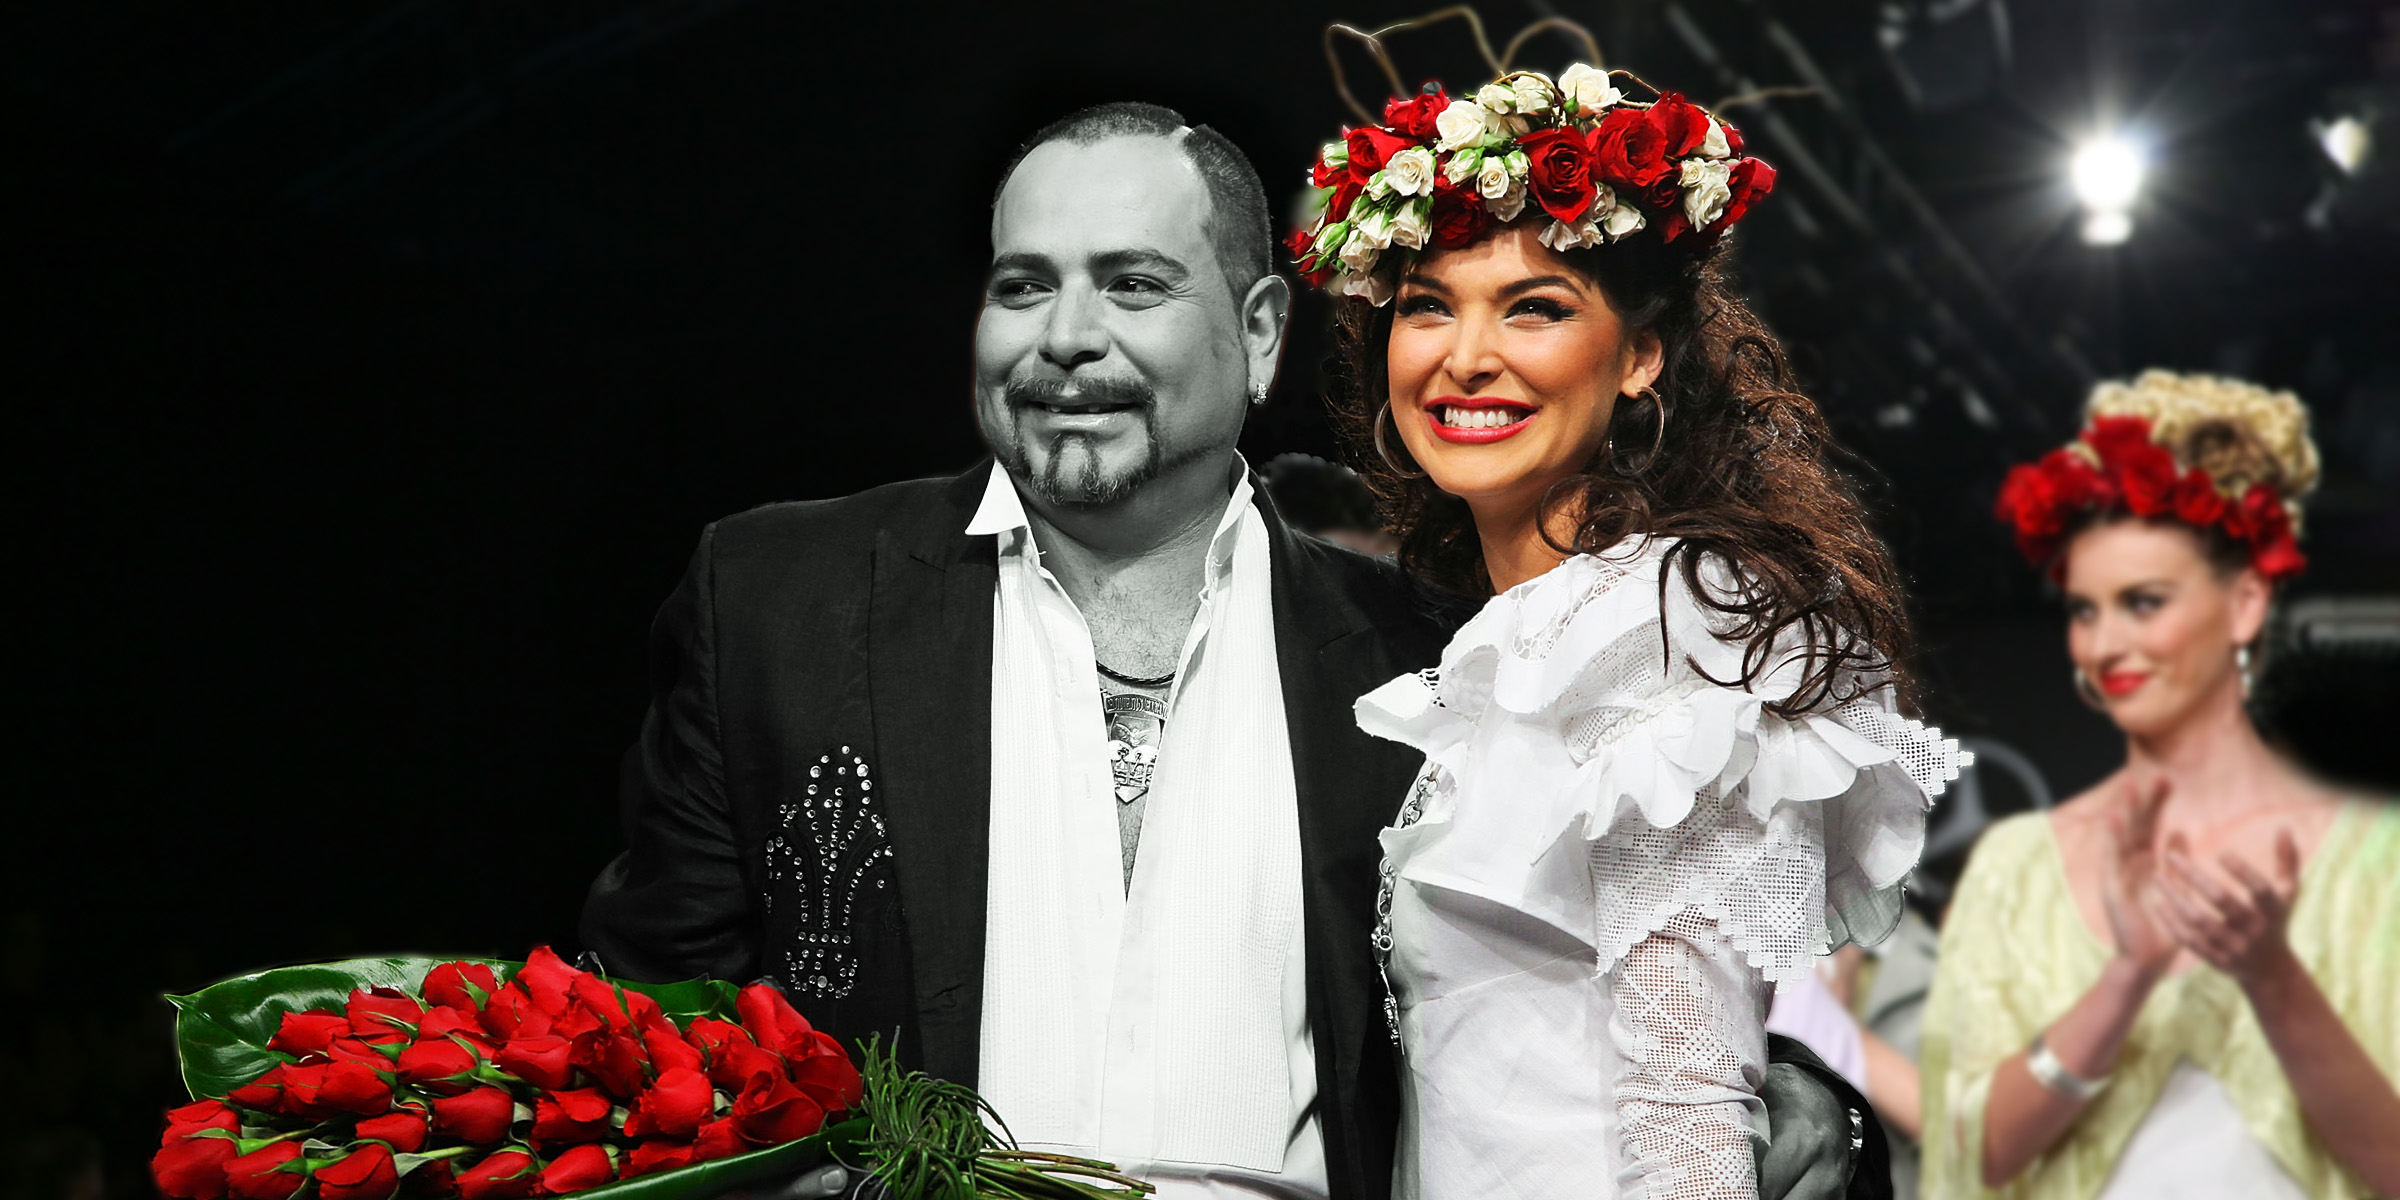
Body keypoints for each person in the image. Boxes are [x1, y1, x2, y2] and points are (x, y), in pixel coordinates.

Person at [580, 101, 1870, 1199]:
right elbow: (641, 1030)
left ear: (1259, 333)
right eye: (1023, 283)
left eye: (1133, 284)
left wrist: (1794, 1092)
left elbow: (1553, 1004)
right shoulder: (777, 596)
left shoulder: (1431, 659)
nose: (1065, 337)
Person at [1285, 67, 1967, 1198]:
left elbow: (1689, 1116)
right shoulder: (1515, 637)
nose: (1465, 356)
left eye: (1536, 306)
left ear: (1642, 355)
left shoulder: (1663, 633)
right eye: (1426, 305)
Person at [1922, 371, 2400, 1198]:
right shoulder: (2013, 867)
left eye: (2143, 603)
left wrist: (2273, 978)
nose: (2104, 645)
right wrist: (2124, 981)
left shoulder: (2378, 863)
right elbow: (1969, 1158)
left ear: (2246, 602)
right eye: (2083, 610)